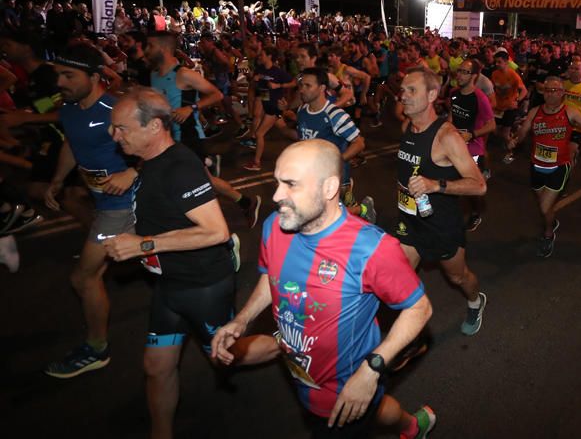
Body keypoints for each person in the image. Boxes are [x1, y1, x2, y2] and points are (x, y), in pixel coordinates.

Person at [211, 139, 436, 439]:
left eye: (291, 184)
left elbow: (419, 307)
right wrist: (242, 319)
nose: (277, 195)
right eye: (277, 182)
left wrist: (371, 372)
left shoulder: (372, 248)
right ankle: (412, 425)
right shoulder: (274, 227)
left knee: (364, 411)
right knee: (379, 409)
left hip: (344, 394)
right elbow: (271, 277)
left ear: (329, 188)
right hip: (300, 372)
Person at [103, 88, 235, 439]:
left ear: (155, 127)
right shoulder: (151, 160)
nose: (113, 135)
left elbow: (216, 231)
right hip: (169, 284)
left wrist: (142, 245)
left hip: (202, 286)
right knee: (156, 367)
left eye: (121, 128)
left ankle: (291, 346)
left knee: (232, 356)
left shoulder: (180, 168)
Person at [43, 45, 138, 378]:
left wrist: (132, 172)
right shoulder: (68, 108)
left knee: (84, 278)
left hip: (124, 203)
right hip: (102, 201)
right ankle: (214, 247)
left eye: (69, 75)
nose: (61, 82)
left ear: (95, 77)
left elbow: (163, 146)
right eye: (59, 75)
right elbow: (72, 143)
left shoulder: (117, 109)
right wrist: (57, 179)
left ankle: (97, 348)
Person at [396, 66, 488, 335]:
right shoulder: (408, 127)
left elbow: (479, 186)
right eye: (402, 90)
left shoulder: (447, 137)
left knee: (458, 277)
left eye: (412, 90)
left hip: (441, 226)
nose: (404, 96)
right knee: (398, 280)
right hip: (409, 222)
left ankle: (475, 301)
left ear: (432, 94)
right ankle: (403, 334)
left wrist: (436, 185)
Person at [145, 31, 261, 229]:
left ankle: (223, 217)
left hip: (188, 138)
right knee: (192, 181)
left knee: (200, 182)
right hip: (166, 138)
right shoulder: (154, 75)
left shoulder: (183, 74)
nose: (146, 50)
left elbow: (216, 94)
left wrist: (191, 108)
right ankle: (242, 204)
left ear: (163, 48)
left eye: (150, 46)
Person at [509, 76, 581, 257]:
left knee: (545, 208)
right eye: (547, 90)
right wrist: (515, 140)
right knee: (543, 206)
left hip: (559, 167)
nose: (550, 94)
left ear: (563, 93)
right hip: (537, 166)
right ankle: (551, 222)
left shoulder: (570, 112)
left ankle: (548, 234)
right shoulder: (535, 112)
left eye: (555, 90)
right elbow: (523, 132)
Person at [285, 67, 376, 223]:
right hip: (314, 173)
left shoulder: (335, 115)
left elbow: (359, 143)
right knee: (324, 213)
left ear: (322, 88)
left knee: (327, 215)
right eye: (301, 85)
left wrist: (337, 160)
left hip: (337, 177)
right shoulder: (302, 111)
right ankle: (361, 209)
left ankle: (363, 209)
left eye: (308, 86)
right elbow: (304, 138)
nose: (302, 90)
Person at [449, 59, 495, 231]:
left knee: (473, 187)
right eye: (458, 71)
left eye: (464, 72)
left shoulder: (480, 98)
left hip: (473, 148)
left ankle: (476, 212)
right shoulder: (454, 93)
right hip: (455, 147)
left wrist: (472, 134)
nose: (459, 75)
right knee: (453, 181)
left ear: (474, 76)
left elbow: (492, 125)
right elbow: (451, 116)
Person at [491, 50, 527, 164]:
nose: (496, 64)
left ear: (506, 62)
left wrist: (517, 100)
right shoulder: (494, 74)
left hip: (510, 108)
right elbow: (493, 89)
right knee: (495, 131)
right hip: (498, 107)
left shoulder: (513, 75)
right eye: (495, 62)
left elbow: (524, 90)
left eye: (499, 62)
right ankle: (515, 131)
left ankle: (511, 153)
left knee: (505, 134)